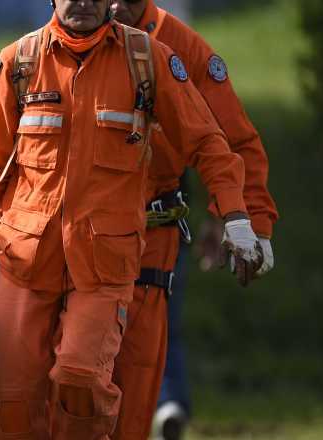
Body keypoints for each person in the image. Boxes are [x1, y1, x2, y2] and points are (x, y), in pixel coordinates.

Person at [0, 0, 267, 437]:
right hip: (26, 261)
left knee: (81, 379)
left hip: (105, 263)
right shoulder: (19, 62)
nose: (83, 1)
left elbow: (209, 141)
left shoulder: (148, 59)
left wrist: (238, 217)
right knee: (9, 388)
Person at [108, 1, 278, 439]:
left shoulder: (182, 48)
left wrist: (247, 221)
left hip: (154, 233)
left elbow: (232, 141)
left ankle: (169, 403)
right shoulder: (57, 44)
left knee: (146, 350)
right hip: (72, 238)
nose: (113, 5)